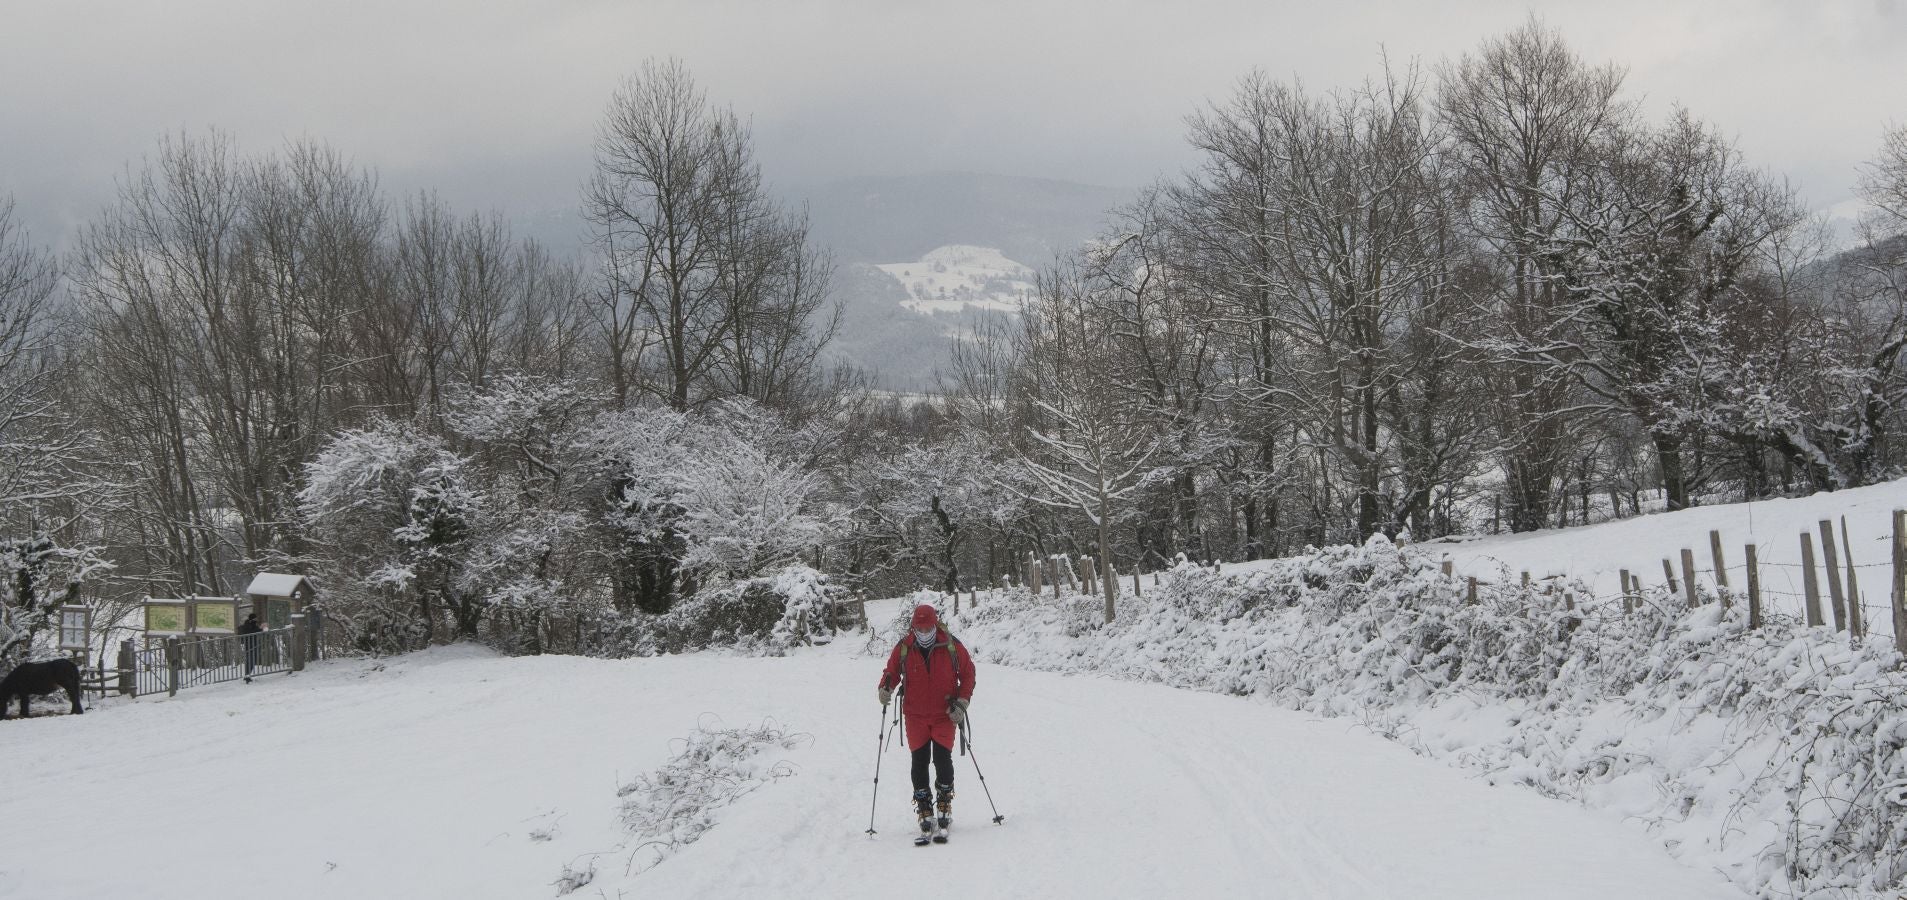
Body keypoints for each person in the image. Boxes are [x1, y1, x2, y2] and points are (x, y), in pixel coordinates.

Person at [876, 603, 975, 842]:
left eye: (927, 627)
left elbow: (969, 674)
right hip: (915, 716)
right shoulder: (904, 648)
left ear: (935, 623)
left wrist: (962, 703)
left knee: (942, 760)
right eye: (919, 628)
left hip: (945, 715)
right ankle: (923, 807)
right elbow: (891, 672)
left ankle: (944, 802)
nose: (923, 632)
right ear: (913, 627)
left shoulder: (952, 646)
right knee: (918, 762)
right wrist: (885, 687)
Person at [238, 612, 263, 683]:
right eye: (255, 618)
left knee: (253, 661)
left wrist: (261, 629)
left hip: (254, 645)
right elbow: (251, 631)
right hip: (249, 645)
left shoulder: (253, 624)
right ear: (252, 618)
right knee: (250, 661)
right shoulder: (247, 624)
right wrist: (260, 629)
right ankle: (247, 676)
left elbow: (256, 630)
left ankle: (247, 675)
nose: (256, 619)